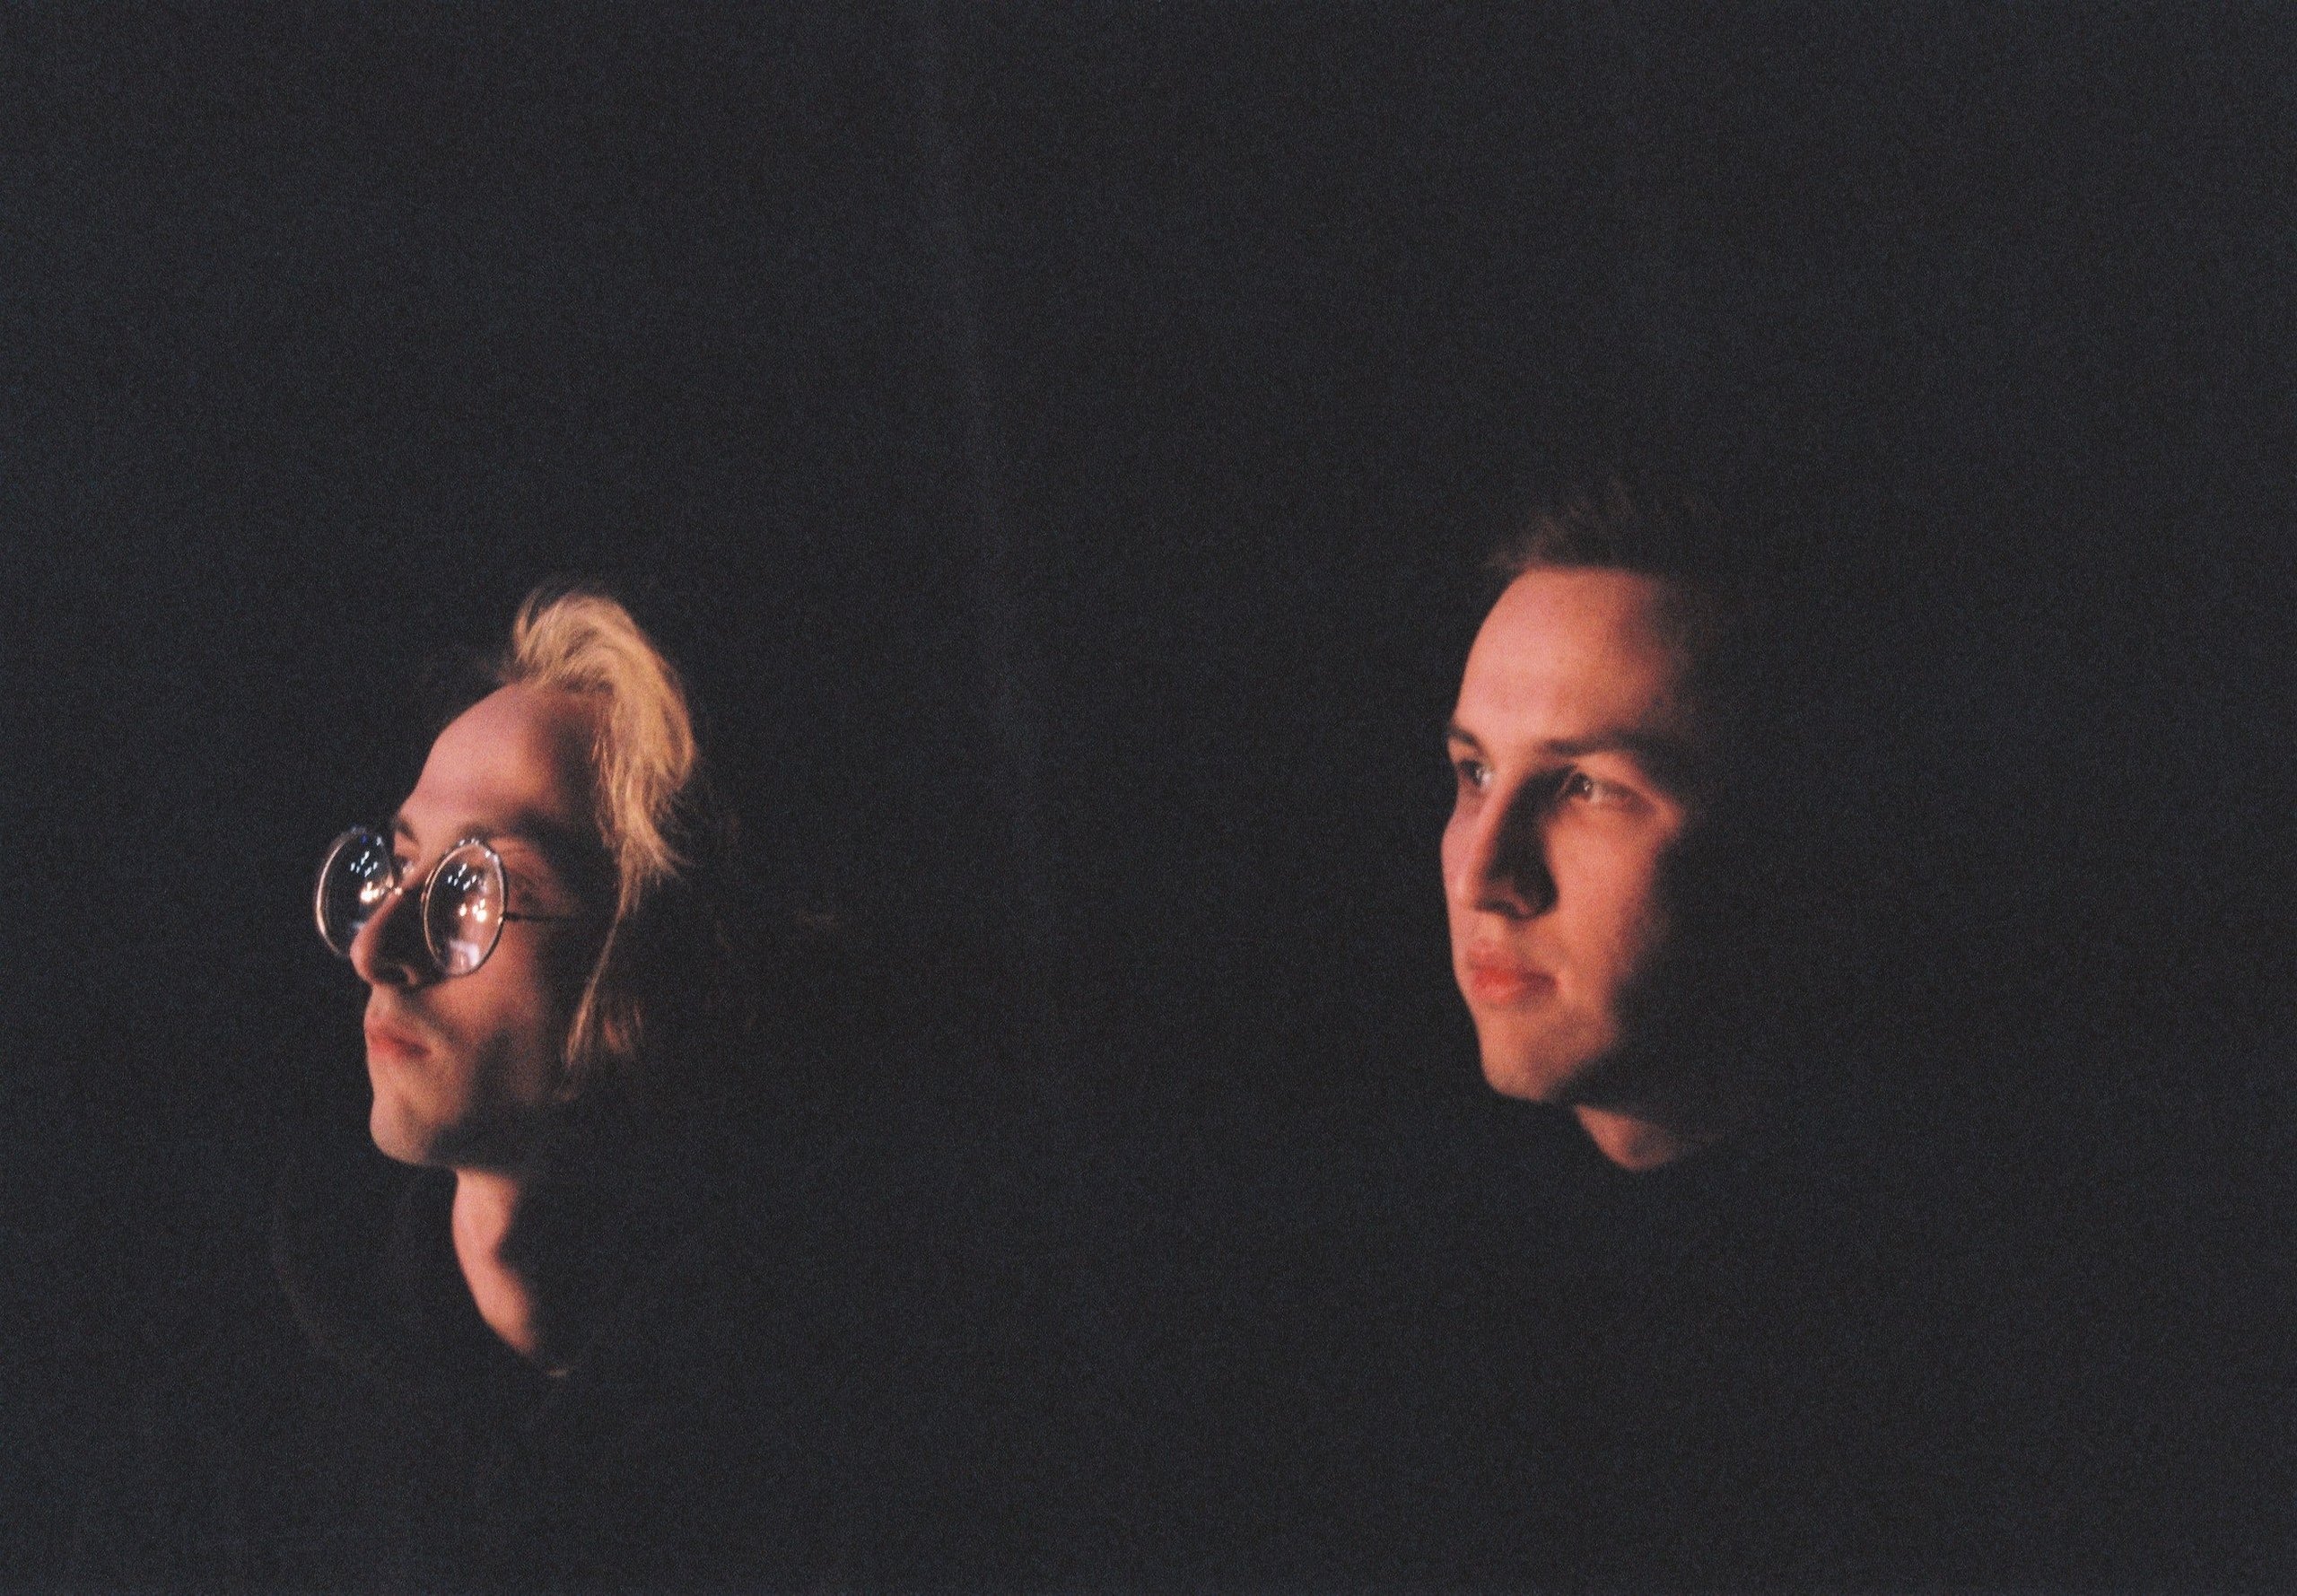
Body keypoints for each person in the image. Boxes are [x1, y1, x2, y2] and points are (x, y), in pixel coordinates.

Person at [262, 587, 887, 1588]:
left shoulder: (859, 1432)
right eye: (399, 865)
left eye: (477, 886)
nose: (376, 948)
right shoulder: (241, 1425)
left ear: (659, 965)